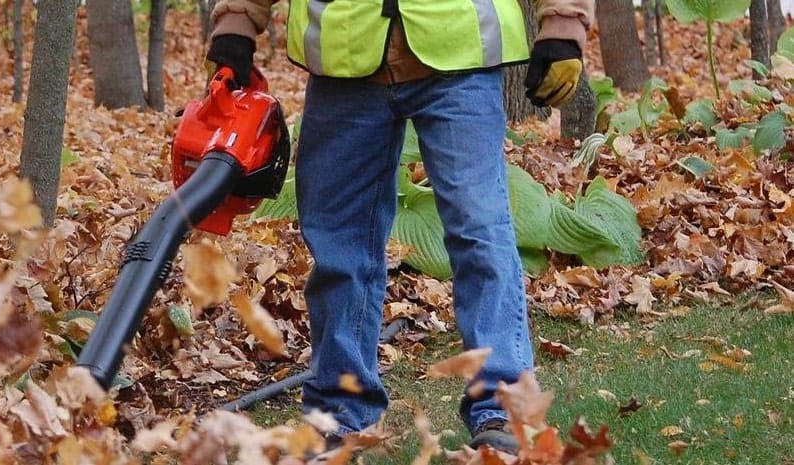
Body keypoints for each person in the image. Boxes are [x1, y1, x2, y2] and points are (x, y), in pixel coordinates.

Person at [206, 0, 595, 455]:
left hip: (459, 56)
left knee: (480, 234)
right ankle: (338, 414)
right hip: (344, 58)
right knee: (339, 248)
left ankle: (504, 408)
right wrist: (236, 21)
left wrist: (564, 23)